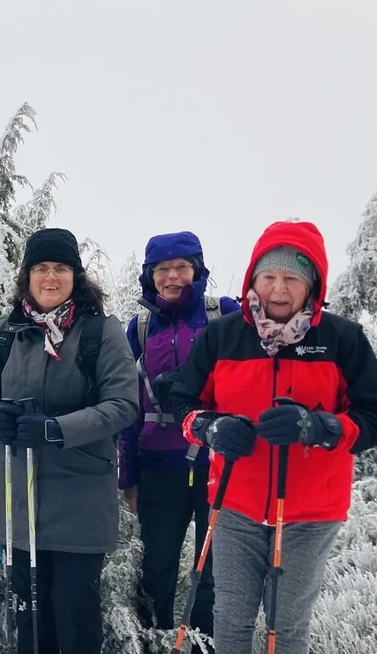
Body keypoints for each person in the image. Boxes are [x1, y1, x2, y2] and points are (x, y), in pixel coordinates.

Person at [169, 221, 377, 654]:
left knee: (287, 623)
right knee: (230, 618)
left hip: (311, 512)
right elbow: (183, 403)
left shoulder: (342, 339)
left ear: (312, 286)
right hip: (235, 502)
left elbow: (376, 417)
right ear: (253, 278)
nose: (278, 288)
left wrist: (320, 428)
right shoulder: (224, 335)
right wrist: (210, 426)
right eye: (268, 276)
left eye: (292, 278)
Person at [0, 227, 139, 654]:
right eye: (41, 268)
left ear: (75, 276)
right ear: (27, 276)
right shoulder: (7, 332)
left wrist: (57, 429)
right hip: (16, 499)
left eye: (61, 268)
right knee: (29, 620)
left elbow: (123, 404)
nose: (50, 277)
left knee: (75, 618)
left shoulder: (101, 332)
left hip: (79, 502)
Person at [117, 231, 240, 635]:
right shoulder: (139, 327)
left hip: (217, 465)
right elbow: (128, 408)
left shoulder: (224, 315)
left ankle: (205, 642)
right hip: (158, 468)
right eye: (162, 269)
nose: (173, 277)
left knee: (213, 570)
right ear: (149, 276)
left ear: (198, 270)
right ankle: (154, 639)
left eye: (182, 267)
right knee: (156, 569)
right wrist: (128, 477)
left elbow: (251, 380)